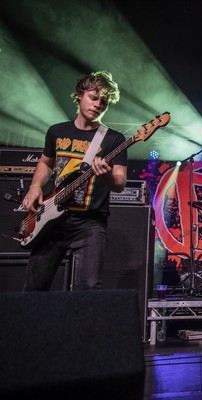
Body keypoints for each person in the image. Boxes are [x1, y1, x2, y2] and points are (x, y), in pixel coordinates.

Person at [21, 70, 127, 291]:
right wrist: (35, 186)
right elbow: (45, 163)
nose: (98, 105)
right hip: (50, 218)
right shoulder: (57, 131)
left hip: (90, 222)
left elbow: (119, 183)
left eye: (104, 102)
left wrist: (104, 174)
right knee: (34, 287)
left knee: (88, 287)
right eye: (93, 97)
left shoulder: (114, 139)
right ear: (79, 95)